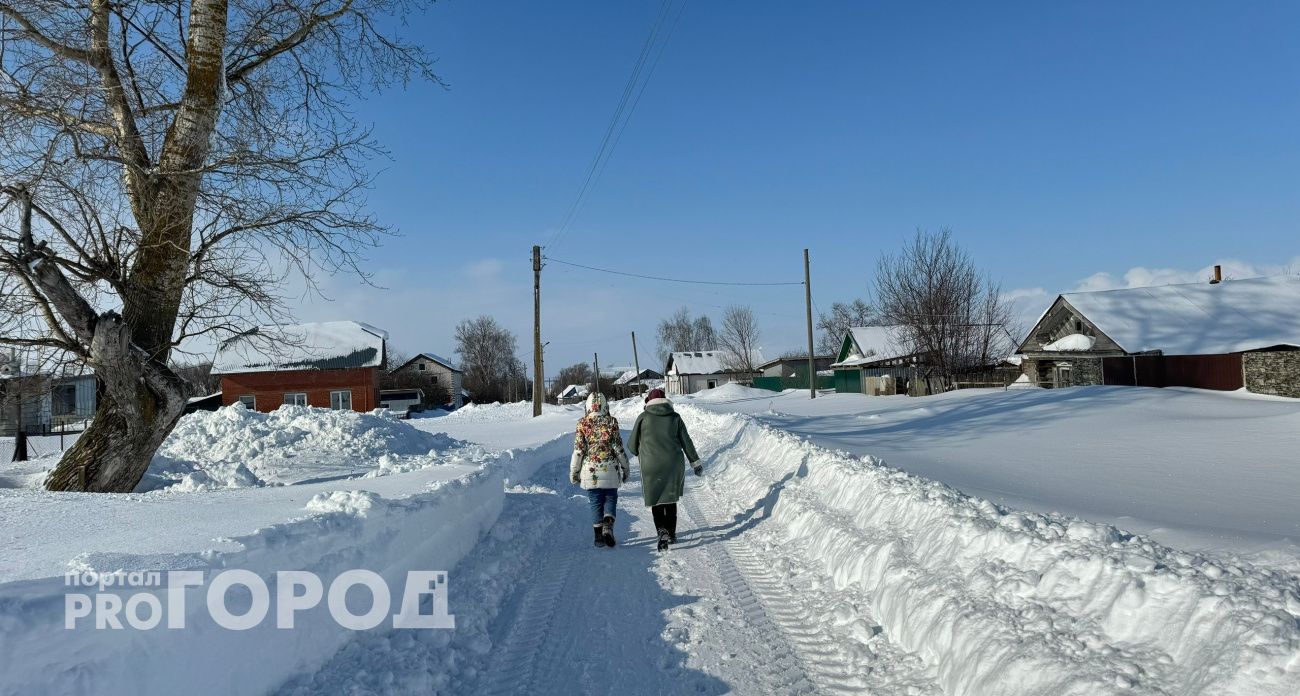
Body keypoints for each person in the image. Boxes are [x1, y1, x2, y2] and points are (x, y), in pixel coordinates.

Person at [628, 388, 702, 551]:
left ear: (648, 401)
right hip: (673, 464)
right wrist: (695, 462)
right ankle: (672, 533)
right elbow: (686, 441)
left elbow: (632, 446)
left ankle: (661, 530)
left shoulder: (643, 417)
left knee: (656, 499)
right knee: (670, 498)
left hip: (651, 465)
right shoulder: (675, 417)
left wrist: (641, 452)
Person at [570, 392, 630, 548]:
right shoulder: (611, 422)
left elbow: (578, 451)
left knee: (595, 502)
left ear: (588, 407)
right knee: (610, 498)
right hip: (610, 468)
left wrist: (574, 472)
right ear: (605, 406)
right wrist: (626, 468)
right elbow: (618, 449)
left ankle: (598, 537)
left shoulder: (582, 423)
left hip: (590, 472)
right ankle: (608, 526)